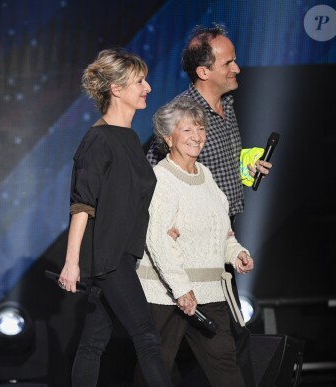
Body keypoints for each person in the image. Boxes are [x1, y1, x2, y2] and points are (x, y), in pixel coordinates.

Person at [146, 24, 271, 386]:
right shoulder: (180, 116)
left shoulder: (227, 107)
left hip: (219, 239)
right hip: (181, 256)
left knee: (225, 352)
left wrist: (247, 167)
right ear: (204, 71)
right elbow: (157, 173)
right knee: (162, 360)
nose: (237, 68)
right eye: (228, 62)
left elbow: (218, 170)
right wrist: (158, 222)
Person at [57, 48, 171, 387]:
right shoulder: (98, 139)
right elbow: (82, 205)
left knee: (93, 343)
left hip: (123, 254)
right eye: (139, 81)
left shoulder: (130, 138)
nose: (148, 87)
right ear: (116, 89)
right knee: (147, 336)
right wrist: (71, 263)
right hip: (108, 260)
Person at [136, 97, 254, 386]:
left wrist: (235, 252)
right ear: (168, 137)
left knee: (226, 367)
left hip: (209, 292)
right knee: (156, 373)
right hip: (165, 295)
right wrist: (181, 289)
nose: (197, 136)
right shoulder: (161, 179)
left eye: (200, 129)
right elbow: (158, 239)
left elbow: (221, 230)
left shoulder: (207, 176)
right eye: (187, 130)